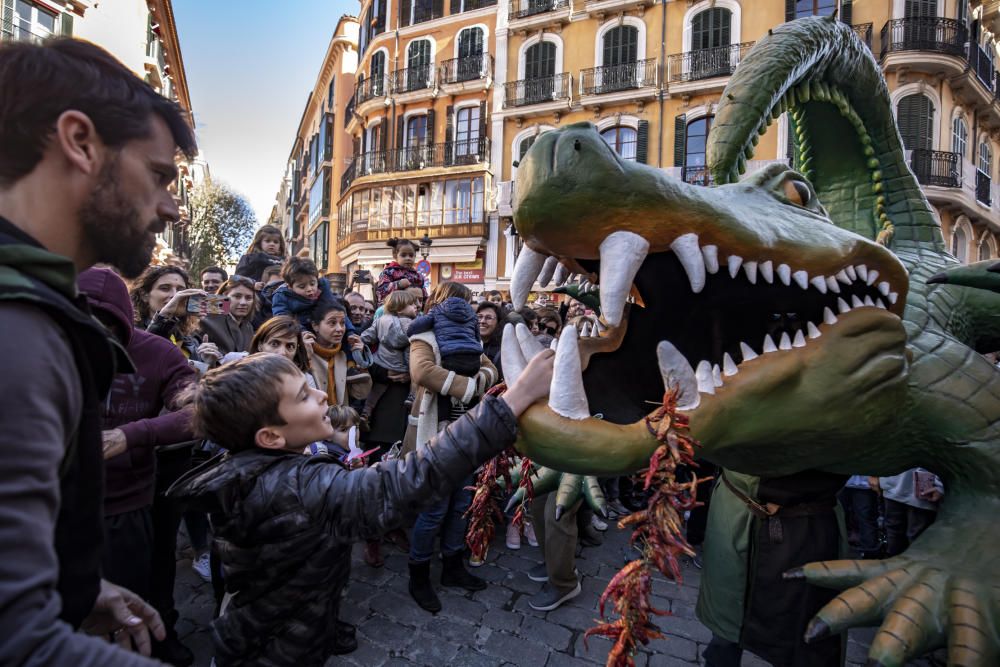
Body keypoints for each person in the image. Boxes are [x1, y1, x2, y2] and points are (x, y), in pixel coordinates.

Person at [0, 37, 196, 663]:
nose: (170, 206)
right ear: (81, 142)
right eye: (159, 174)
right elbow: (19, 640)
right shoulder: (20, 330)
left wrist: (76, 587)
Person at [168, 350, 553, 666]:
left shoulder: (256, 467)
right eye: (303, 395)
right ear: (270, 436)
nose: (321, 395)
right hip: (277, 652)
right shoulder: (298, 488)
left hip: (265, 630)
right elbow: (405, 481)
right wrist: (511, 401)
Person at [79, 268, 198, 665]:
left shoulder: (159, 352)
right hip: (54, 503)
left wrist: (131, 435)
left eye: (105, 327)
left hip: (128, 504)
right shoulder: (39, 345)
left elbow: (199, 411)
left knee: (138, 595)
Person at [404, 282, 499, 612]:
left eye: (466, 301)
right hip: (436, 434)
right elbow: (422, 371)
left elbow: (491, 368)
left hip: (468, 434)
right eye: (455, 300)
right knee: (434, 509)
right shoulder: (425, 336)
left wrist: (474, 385)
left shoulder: (472, 338)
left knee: (462, 504)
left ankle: (452, 567)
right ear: (439, 302)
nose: (461, 307)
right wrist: (469, 389)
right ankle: (418, 574)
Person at [359, 290, 419, 424]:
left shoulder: (380, 321)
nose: (416, 306)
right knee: (415, 377)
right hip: (403, 367)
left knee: (377, 390)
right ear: (399, 309)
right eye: (411, 304)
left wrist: (358, 341)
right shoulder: (412, 324)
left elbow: (368, 336)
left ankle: (366, 412)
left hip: (382, 363)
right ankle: (412, 396)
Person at [131, 265, 206, 366]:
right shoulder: (130, 332)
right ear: (144, 295)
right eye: (165, 288)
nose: (175, 295)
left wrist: (207, 363)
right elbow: (140, 363)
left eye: (181, 290)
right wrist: (164, 317)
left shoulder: (190, 338)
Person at [308, 302, 373, 408]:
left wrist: (359, 358)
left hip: (340, 422)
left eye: (342, 323)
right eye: (332, 323)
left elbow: (360, 393)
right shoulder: (306, 356)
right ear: (315, 326)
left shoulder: (343, 356)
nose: (339, 329)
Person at [876, 468, 943, 557]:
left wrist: (940, 485)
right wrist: (874, 475)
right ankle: (894, 566)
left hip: (924, 488)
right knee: (893, 535)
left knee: (917, 537)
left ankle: (916, 568)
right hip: (892, 486)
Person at [198, 275, 257, 365]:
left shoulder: (249, 327)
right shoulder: (205, 320)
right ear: (224, 296)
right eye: (237, 296)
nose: (243, 302)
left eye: (248, 298)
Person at [271, 256, 340, 331]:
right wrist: (302, 332)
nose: (309, 289)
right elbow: (283, 320)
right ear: (290, 287)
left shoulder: (323, 288)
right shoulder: (281, 296)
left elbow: (337, 311)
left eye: (312, 284)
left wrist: (350, 332)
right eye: (302, 286)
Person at [249, 315, 315, 378]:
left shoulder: (305, 381)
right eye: (274, 344)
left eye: (290, 346)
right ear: (260, 345)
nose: (282, 352)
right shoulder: (241, 372)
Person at [375, 238, 427, 305]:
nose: (408, 258)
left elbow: (424, 295)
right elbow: (381, 291)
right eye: (403, 255)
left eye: (411, 255)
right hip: (392, 308)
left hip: (413, 309)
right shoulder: (389, 272)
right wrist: (398, 284)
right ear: (395, 255)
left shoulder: (418, 276)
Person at [476, 300, 504, 379]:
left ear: (498, 322)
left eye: (488, 318)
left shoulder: (503, 349)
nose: (482, 321)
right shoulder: (467, 343)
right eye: (479, 316)